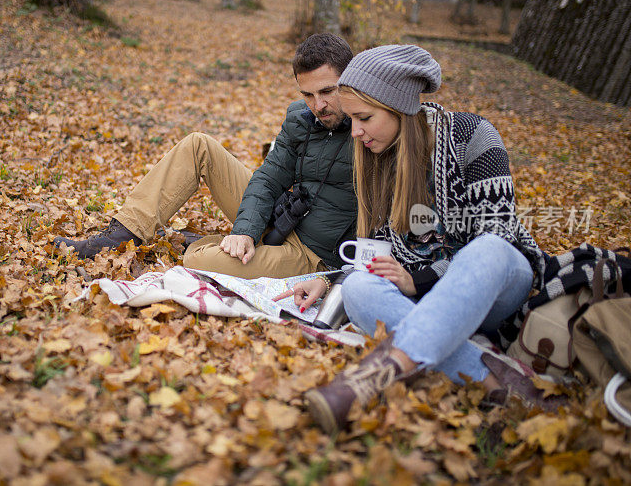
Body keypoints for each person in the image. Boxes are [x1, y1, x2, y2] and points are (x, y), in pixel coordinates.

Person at [276, 45, 562, 434]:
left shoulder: (473, 136)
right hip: (425, 298)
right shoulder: (377, 157)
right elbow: (377, 248)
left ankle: (375, 375)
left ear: (398, 108)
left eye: (364, 118)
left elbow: (500, 232)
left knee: (490, 249)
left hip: (498, 286)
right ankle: (491, 380)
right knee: (360, 288)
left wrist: (420, 278)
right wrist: (330, 280)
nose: (354, 130)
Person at [54, 33, 358, 279]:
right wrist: (245, 231)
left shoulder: (370, 128)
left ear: (351, 78)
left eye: (327, 91)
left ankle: (192, 242)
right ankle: (120, 235)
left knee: (198, 260)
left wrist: (336, 278)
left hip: (313, 256)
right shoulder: (300, 117)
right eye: (308, 94)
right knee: (198, 145)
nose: (318, 105)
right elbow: (268, 178)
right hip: (282, 218)